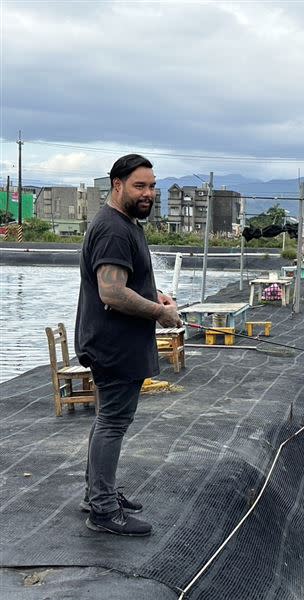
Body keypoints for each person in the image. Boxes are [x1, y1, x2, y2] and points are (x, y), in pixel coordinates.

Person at [75, 153, 181, 536]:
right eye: (140, 185)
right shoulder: (115, 229)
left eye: (153, 186)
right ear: (116, 185)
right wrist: (160, 313)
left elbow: (128, 282)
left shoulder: (125, 224)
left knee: (107, 420)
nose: (149, 193)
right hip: (114, 344)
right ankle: (102, 511)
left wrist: (158, 295)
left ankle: (96, 494)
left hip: (115, 341)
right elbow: (112, 292)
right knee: (113, 423)